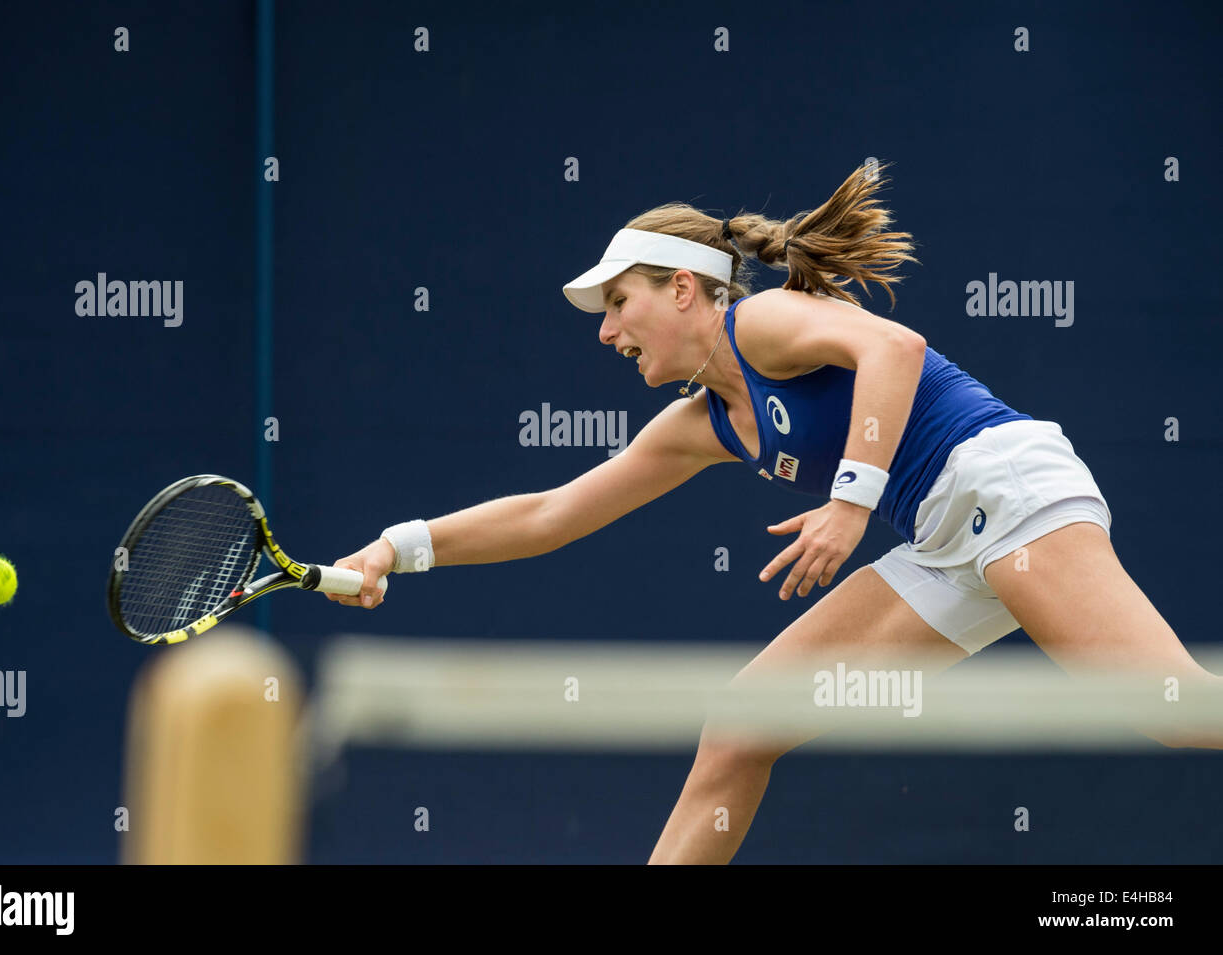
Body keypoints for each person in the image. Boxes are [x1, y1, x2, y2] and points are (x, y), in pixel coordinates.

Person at [328, 162, 1222, 864]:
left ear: (684, 289)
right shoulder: (699, 423)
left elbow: (896, 348)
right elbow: (550, 514)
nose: (606, 331)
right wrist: (396, 549)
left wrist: (849, 500)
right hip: (944, 540)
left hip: (1002, 489)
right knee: (742, 724)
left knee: (1178, 710)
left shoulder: (761, 325)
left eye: (619, 302)